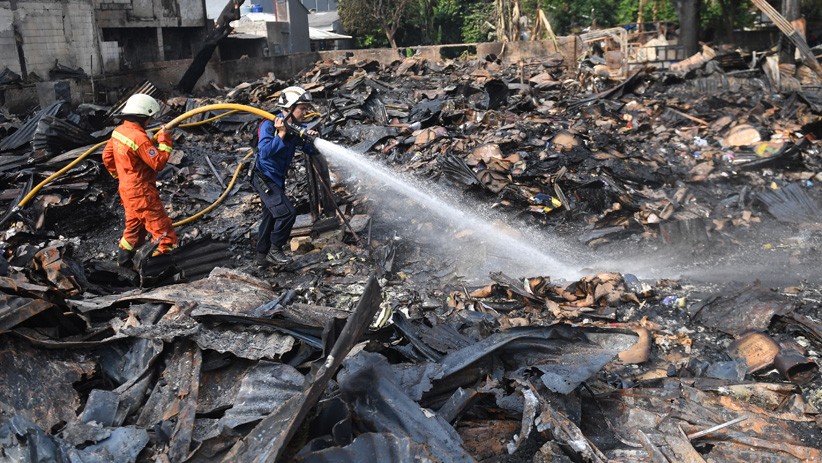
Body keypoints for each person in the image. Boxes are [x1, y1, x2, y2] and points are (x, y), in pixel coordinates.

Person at [102, 93, 176, 268]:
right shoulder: (139, 138)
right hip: (141, 192)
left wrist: (120, 175)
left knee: (134, 229)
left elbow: (107, 157)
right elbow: (158, 163)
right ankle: (160, 269)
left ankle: (124, 262)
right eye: (149, 119)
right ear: (143, 117)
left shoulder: (118, 132)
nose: (150, 122)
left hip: (127, 190)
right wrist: (164, 140)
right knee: (163, 231)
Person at [252, 86, 318, 266]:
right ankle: (275, 249)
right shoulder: (268, 125)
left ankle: (261, 257)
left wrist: (311, 139)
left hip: (277, 178)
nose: (306, 112)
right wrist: (281, 134)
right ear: (288, 108)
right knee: (287, 213)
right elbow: (265, 152)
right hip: (264, 177)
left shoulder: (297, 127)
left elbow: (309, 150)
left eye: (306, 108)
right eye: (302, 108)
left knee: (270, 216)